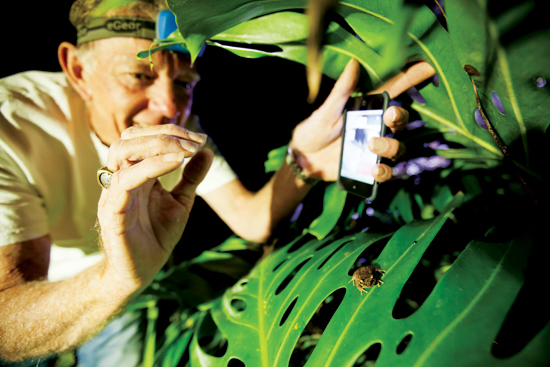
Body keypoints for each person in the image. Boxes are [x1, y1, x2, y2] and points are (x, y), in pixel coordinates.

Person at [0, 0, 434, 364]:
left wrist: (300, 162)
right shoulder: (11, 124)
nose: (169, 105)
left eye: (185, 81)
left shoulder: (176, 119)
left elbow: (250, 220)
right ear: (77, 70)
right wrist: (115, 278)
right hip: (63, 289)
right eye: (140, 75)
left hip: (132, 286)